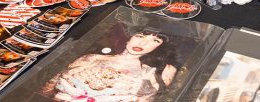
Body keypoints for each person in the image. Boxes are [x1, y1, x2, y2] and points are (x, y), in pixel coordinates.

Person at [41, 29, 178, 101]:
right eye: (140, 36)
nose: (142, 43)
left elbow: (147, 98)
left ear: (159, 48)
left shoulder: (149, 73)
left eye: (155, 40)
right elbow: (49, 88)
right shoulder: (92, 58)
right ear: (129, 38)